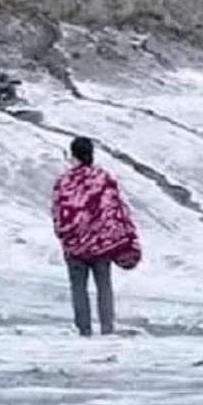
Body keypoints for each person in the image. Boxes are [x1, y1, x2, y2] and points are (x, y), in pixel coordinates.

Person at [51, 137, 141, 336]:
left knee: (78, 288)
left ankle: (84, 330)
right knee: (104, 286)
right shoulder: (103, 178)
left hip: (74, 246)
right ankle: (107, 328)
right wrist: (124, 237)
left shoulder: (63, 182)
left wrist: (65, 235)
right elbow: (116, 208)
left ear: (73, 154)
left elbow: (58, 212)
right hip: (102, 245)